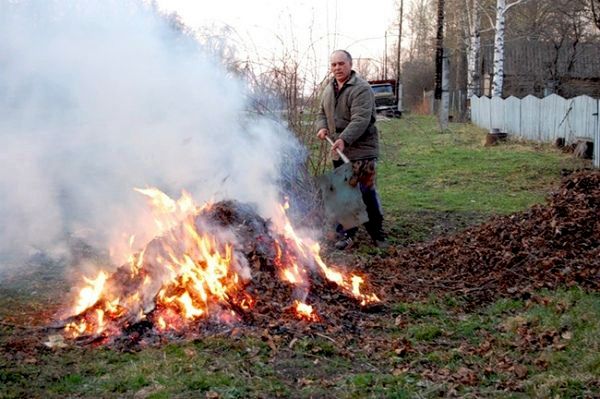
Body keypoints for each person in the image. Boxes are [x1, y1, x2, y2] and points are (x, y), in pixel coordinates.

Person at [316, 49, 386, 250]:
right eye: (333, 65)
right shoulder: (328, 89)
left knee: (365, 192)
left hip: (362, 150)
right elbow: (321, 113)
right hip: (339, 149)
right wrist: (321, 127)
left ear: (350, 64)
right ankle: (347, 234)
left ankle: (377, 233)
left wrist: (344, 139)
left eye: (341, 64)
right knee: (344, 194)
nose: (337, 68)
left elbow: (361, 119)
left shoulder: (361, 88)